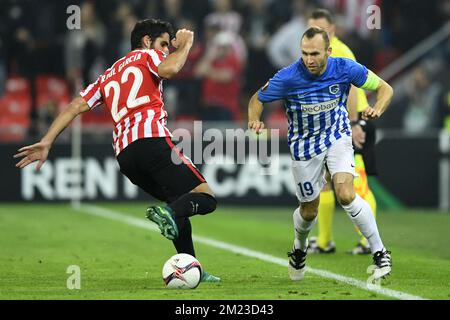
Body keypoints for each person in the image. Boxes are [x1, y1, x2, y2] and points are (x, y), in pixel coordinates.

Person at [14, 18, 220, 282]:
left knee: (177, 204)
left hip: (125, 156)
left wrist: (47, 140)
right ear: (147, 41)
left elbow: (76, 105)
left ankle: (194, 268)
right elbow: (169, 70)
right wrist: (186, 45)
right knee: (206, 198)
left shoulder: (109, 74)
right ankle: (168, 213)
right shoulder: (148, 55)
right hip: (152, 140)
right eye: (164, 44)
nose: (167, 49)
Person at [248, 26, 393, 281]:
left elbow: (385, 89)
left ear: (328, 50)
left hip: (337, 136)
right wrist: (254, 121)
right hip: (303, 147)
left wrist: (377, 108)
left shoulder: (345, 68)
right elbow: (256, 100)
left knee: (347, 194)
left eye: (314, 53)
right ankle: (299, 247)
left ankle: (380, 251)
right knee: (308, 211)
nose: (309, 59)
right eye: (304, 53)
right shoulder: (288, 76)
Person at [306, 8, 379, 255]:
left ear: (332, 30)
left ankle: (367, 240)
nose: (315, 33)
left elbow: (354, 89)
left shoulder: (338, 51)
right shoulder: (315, 52)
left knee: (356, 182)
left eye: (320, 29)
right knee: (325, 183)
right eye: (311, 28)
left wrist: (356, 123)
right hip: (335, 125)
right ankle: (325, 241)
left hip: (353, 123)